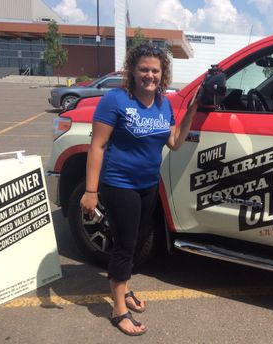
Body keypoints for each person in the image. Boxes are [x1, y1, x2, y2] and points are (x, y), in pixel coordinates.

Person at [80, 43, 199, 336]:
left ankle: (125, 287)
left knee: (136, 240)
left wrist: (193, 109)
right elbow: (97, 145)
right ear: (132, 70)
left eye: (155, 70)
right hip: (119, 184)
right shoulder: (115, 100)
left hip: (148, 186)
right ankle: (119, 310)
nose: (149, 75)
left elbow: (174, 141)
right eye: (143, 69)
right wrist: (91, 191)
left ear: (163, 73)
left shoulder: (163, 103)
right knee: (124, 246)